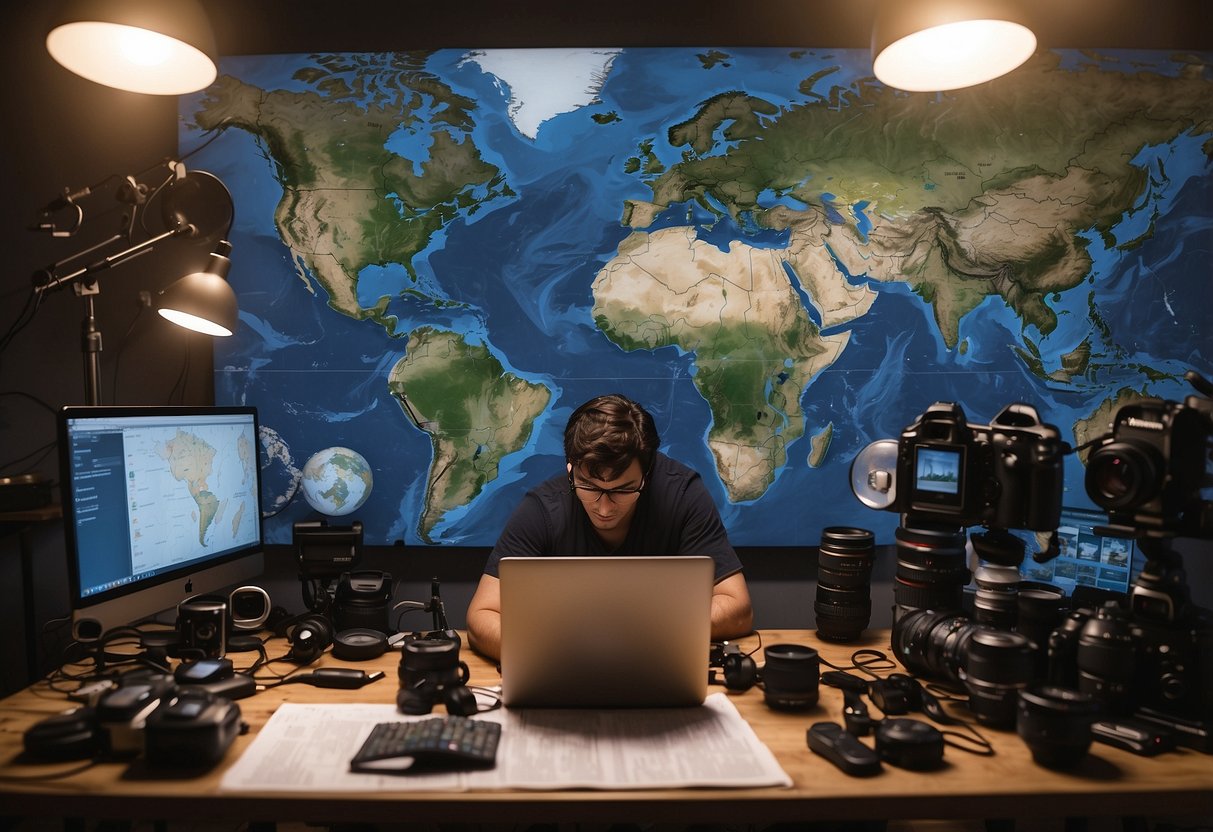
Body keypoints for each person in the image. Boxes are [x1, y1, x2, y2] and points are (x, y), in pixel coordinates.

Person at [466, 393, 753, 660]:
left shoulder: (683, 494)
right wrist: (557, 652)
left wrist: (634, 632)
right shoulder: (542, 507)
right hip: (563, 664)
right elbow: (482, 616)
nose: (604, 508)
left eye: (623, 490)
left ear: (648, 475)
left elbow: (737, 609)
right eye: (589, 487)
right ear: (570, 470)